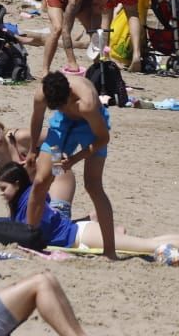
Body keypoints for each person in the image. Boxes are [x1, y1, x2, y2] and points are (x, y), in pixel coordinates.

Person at [0, 161, 179, 262]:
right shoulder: (22, 204)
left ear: (16, 184)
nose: (1, 193)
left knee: (148, 247)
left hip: (81, 235)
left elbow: (40, 226)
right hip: (80, 232)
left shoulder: (30, 200)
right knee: (146, 242)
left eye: (3, 188)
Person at [26, 70, 116, 261]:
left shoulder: (87, 104)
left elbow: (103, 138)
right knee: (42, 180)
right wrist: (33, 149)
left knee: (93, 186)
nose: (61, 108)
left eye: (63, 105)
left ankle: (110, 251)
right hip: (62, 127)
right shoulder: (44, 93)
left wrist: (75, 159)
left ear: (69, 96)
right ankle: (28, 239)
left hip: (91, 128)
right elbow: (37, 118)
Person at [39, 0, 113, 75]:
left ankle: (98, 66)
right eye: (96, 3)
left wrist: (101, 54)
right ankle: (45, 70)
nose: (98, 6)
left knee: (94, 31)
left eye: (101, 4)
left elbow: (96, 25)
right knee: (58, 28)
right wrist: (72, 61)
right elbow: (66, 31)